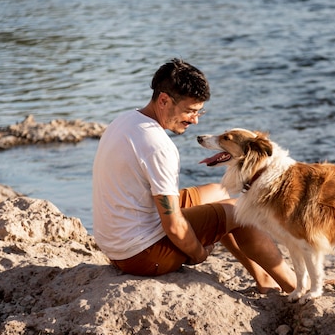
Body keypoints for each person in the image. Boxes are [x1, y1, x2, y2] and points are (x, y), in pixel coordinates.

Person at [92, 58, 295, 294]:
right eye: (190, 111)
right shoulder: (159, 146)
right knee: (239, 212)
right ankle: (294, 286)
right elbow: (175, 227)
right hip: (141, 255)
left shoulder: (126, 120)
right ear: (164, 100)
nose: (195, 120)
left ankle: (265, 281)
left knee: (218, 191)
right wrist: (198, 253)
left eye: (200, 111)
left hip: (117, 244)